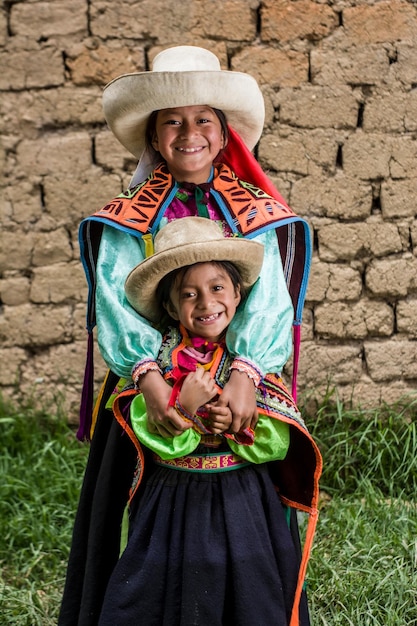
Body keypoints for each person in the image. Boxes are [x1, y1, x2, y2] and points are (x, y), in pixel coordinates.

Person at [59, 45, 319, 626]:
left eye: (203, 119)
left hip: (241, 387)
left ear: (224, 135)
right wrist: (151, 381)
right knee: (150, 513)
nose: (189, 132)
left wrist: (247, 378)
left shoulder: (255, 212)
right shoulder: (128, 220)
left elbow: (269, 296)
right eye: (172, 121)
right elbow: (114, 300)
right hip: (147, 387)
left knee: (247, 515)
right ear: (154, 134)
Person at [99, 216, 320, 625]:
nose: (205, 303)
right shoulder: (156, 368)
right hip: (172, 502)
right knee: (164, 589)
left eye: (218, 288)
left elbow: (277, 439)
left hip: (244, 503)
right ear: (169, 306)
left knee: (251, 594)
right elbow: (150, 435)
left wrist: (237, 424)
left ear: (238, 295)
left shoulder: (250, 368)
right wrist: (181, 407)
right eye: (188, 294)